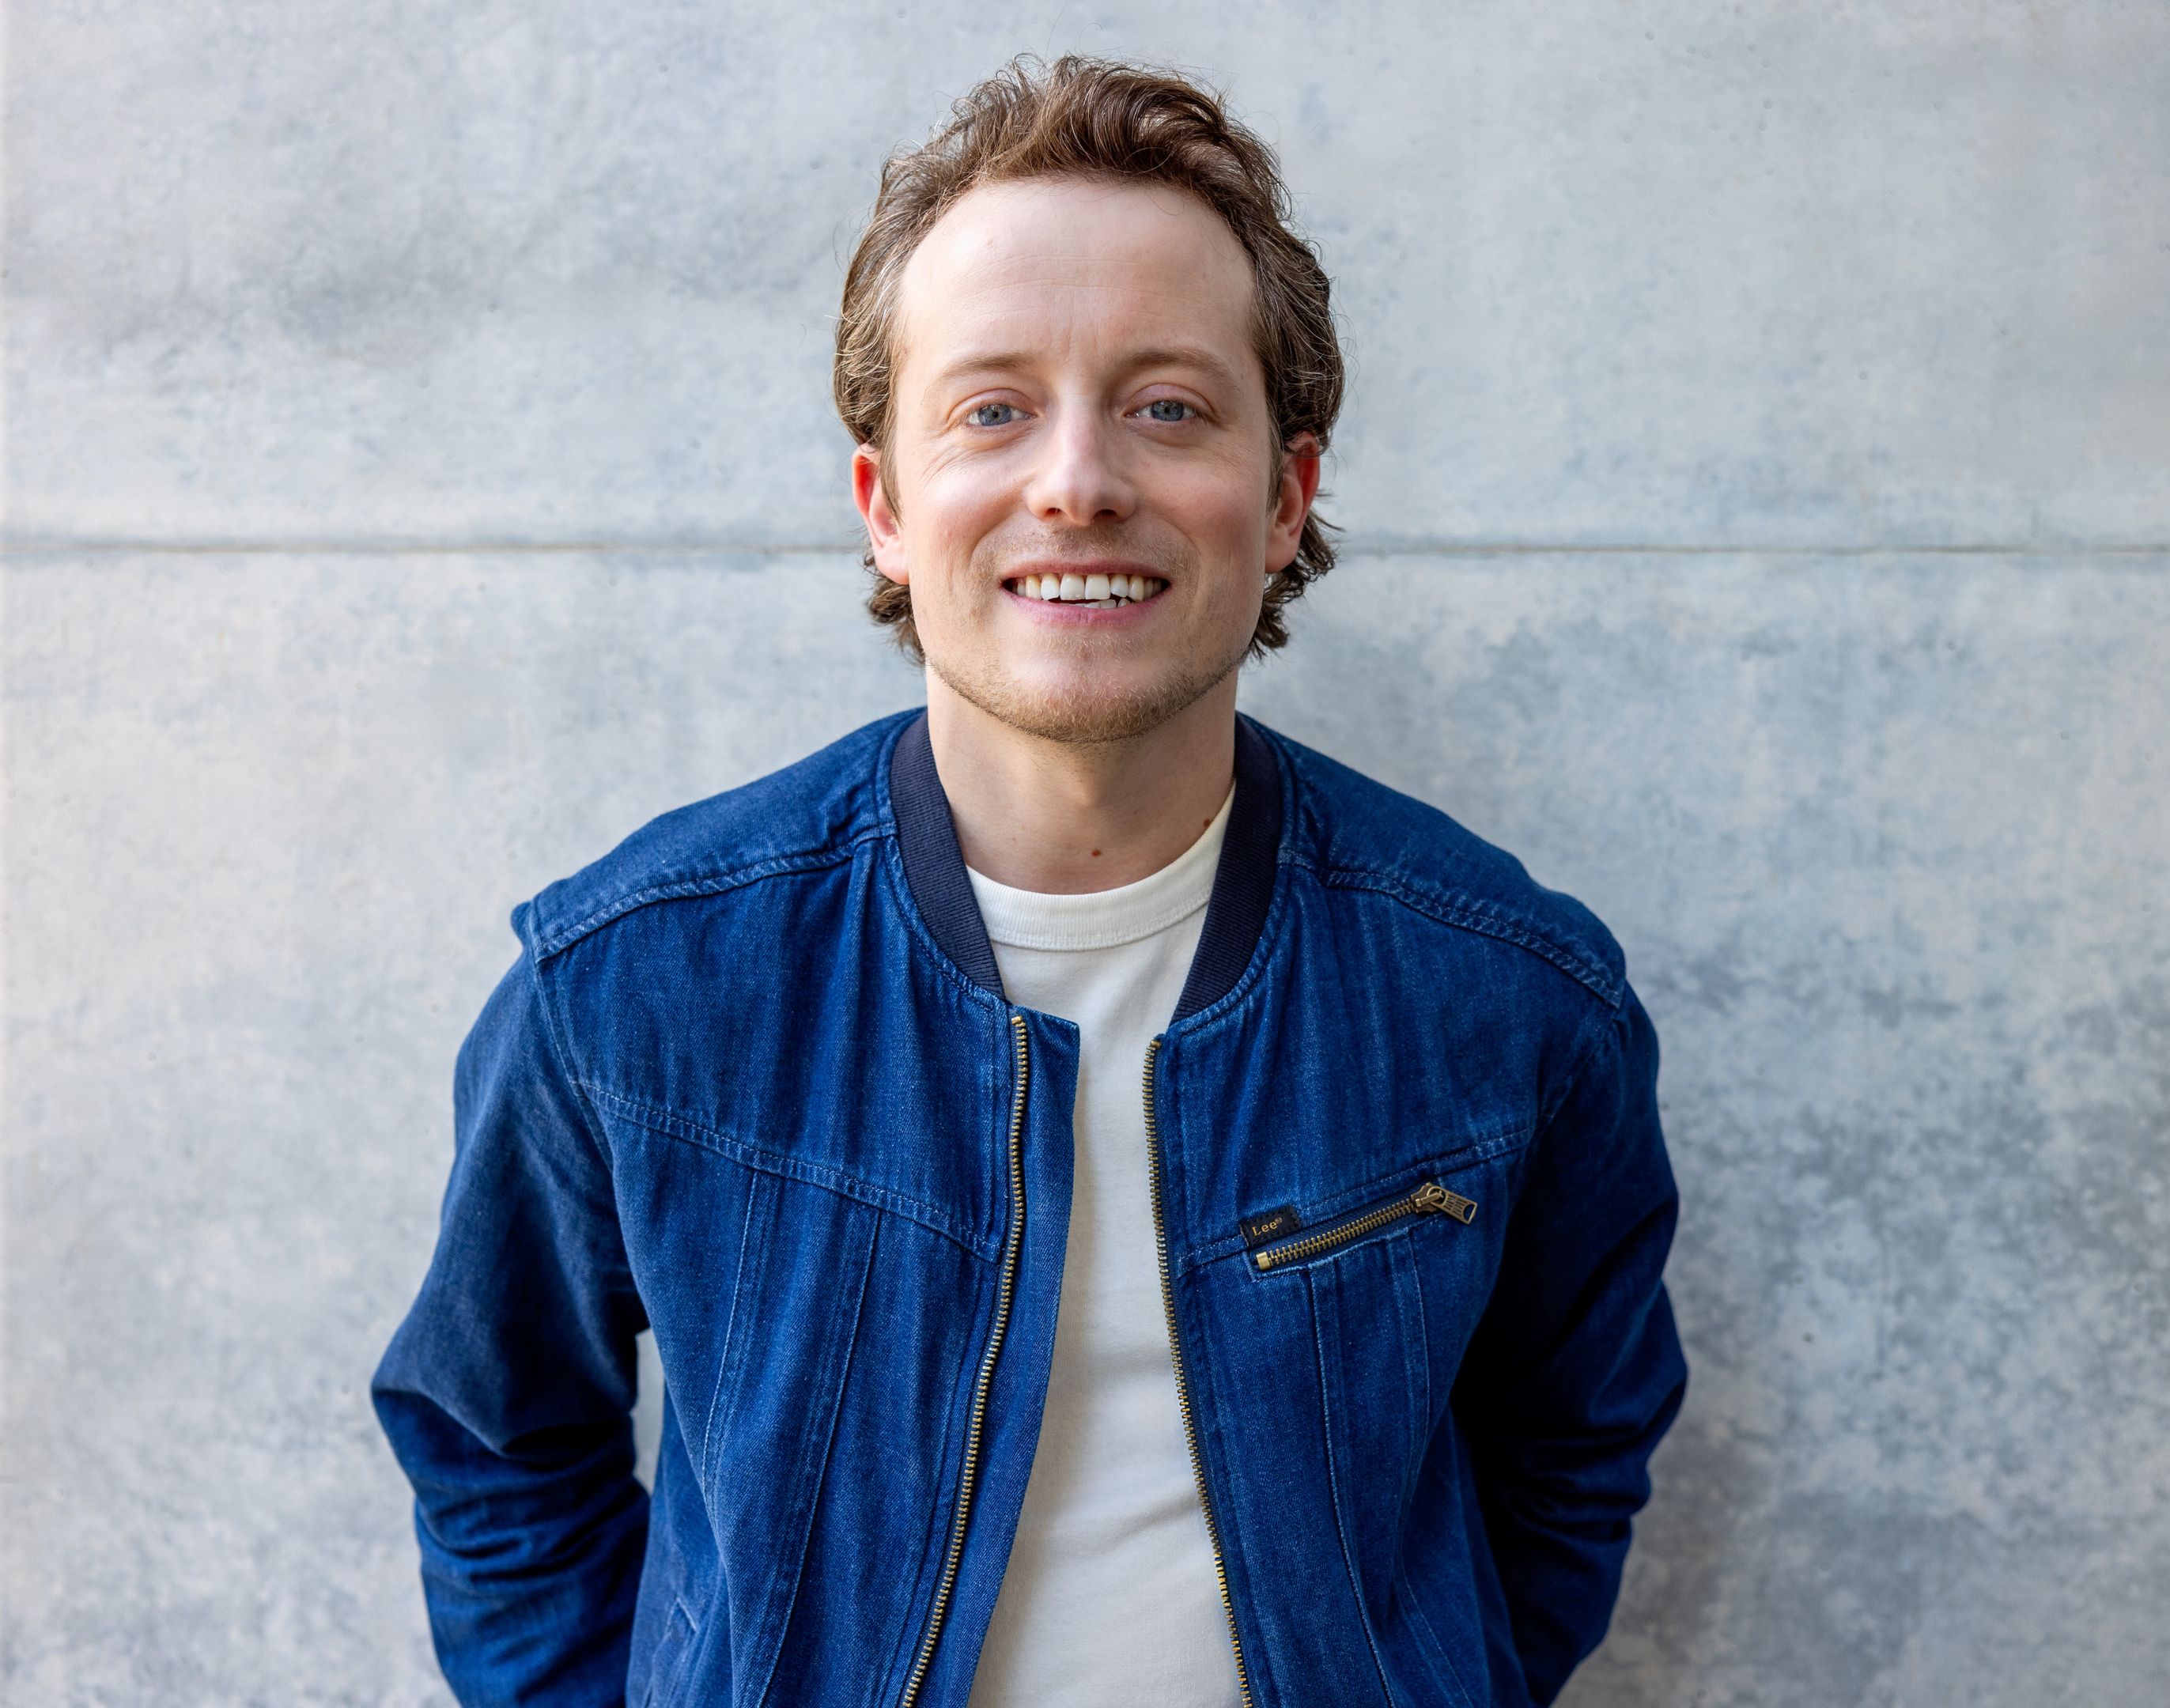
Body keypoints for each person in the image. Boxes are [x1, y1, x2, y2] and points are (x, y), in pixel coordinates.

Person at [372, 54, 1685, 1708]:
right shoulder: (630, 989)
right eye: (993, 409)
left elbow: (1571, 1458)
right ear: (887, 507)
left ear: (1286, 497)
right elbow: (494, 1447)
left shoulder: (1509, 1001)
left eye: (1169, 406)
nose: (1078, 480)